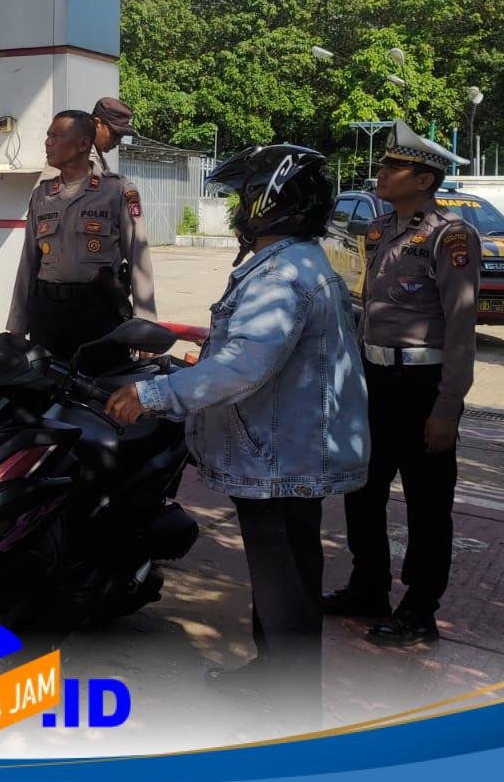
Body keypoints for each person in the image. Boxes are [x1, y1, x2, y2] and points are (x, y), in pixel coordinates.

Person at [105, 144, 369, 726]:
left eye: (242, 198)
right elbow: (257, 353)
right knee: (283, 575)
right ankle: (271, 675)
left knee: (284, 582)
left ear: (269, 202)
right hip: (285, 448)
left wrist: (155, 395)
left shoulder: (281, 273)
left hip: (279, 457)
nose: (236, 211)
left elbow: (246, 366)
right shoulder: (298, 261)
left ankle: (290, 707)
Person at [323, 121, 479, 647]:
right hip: (375, 380)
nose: (382, 172)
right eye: (385, 164)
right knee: (362, 490)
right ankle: (368, 587)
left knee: (427, 503)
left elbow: (461, 327)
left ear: (425, 179)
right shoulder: (379, 230)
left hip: (422, 385)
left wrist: (448, 407)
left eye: (395, 167)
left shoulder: (451, 236)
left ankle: (419, 609)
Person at [7, 110, 155, 372]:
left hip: (98, 315)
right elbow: (27, 263)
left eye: (57, 136)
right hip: (48, 315)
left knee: (100, 388)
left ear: (84, 143)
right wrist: (17, 325)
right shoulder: (43, 195)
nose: (48, 142)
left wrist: (145, 328)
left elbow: (139, 260)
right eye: (48, 135)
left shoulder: (117, 191)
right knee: (44, 388)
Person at [91, 96, 134, 172]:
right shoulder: (81, 157)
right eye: (115, 134)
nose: (118, 141)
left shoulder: (96, 154)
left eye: (121, 136)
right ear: (97, 123)